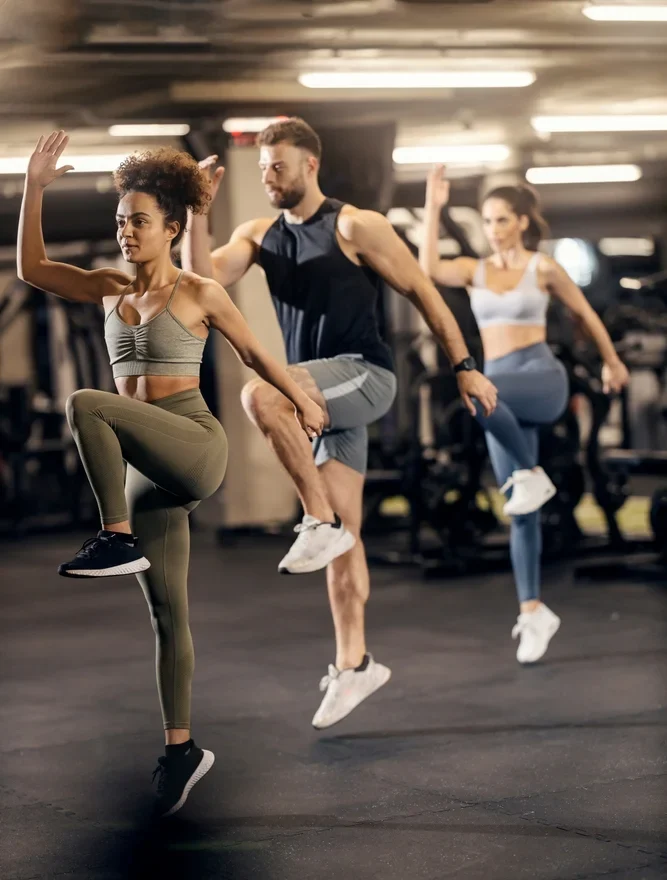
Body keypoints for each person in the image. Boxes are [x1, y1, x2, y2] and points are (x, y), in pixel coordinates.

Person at [17, 130, 324, 817]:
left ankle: (114, 534)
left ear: (172, 228)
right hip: (142, 468)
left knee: (85, 403)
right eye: (121, 221)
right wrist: (35, 188)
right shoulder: (105, 288)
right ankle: (182, 747)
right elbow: (34, 268)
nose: (126, 232)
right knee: (167, 615)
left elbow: (255, 356)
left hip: (192, 443)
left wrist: (301, 398)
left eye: (141, 222)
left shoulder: (200, 291)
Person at [181, 117, 498, 729]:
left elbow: (425, 294)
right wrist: (198, 212)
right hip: (319, 393)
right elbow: (200, 282)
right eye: (263, 168)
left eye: (279, 165)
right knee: (346, 538)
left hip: (364, 375)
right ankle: (354, 664)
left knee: (261, 397)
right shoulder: (260, 233)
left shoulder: (356, 225)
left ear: (310, 166)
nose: (269, 176)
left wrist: (463, 366)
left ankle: (316, 517)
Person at [420, 165, 629, 664]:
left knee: (474, 393)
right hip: (499, 393)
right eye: (486, 221)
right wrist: (433, 204)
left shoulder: (543, 268)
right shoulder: (474, 270)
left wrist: (612, 361)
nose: (492, 229)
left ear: (520, 222)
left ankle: (533, 475)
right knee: (520, 507)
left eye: (499, 220)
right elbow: (428, 266)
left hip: (538, 379)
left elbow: (586, 315)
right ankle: (533, 611)